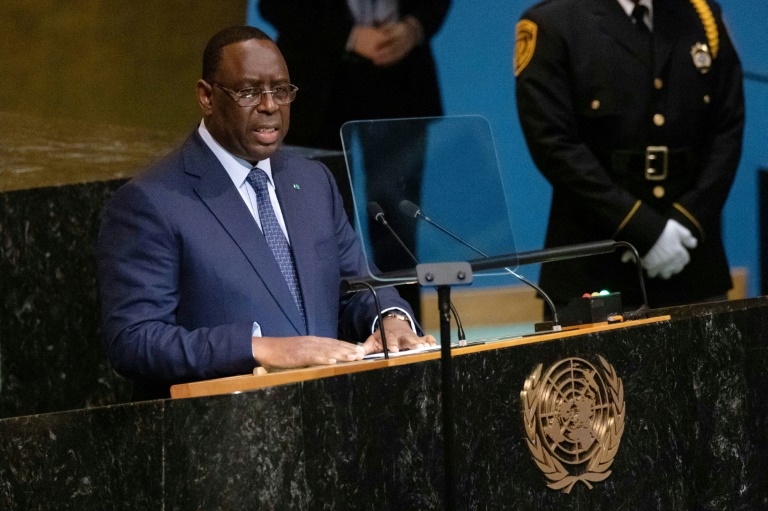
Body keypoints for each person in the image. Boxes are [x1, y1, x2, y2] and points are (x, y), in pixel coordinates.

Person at [97, 26, 435, 399]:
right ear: (207, 96)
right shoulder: (152, 200)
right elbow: (135, 340)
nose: (270, 105)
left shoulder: (313, 182)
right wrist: (260, 347)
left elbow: (355, 289)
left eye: (281, 90)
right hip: (225, 424)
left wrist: (390, 319)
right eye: (249, 92)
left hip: (325, 416)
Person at [514, 0, 744, 311]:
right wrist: (642, 229)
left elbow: (727, 128)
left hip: (691, 261)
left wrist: (688, 222)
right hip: (595, 266)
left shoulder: (703, 16)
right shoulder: (553, 22)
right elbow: (553, 144)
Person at [258, 1, 452, 321]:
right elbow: (273, 6)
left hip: (402, 82)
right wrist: (346, 35)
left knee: (398, 229)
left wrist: (415, 27)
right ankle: (326, 332)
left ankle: (403, 330)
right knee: (319, 229)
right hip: (318, 83)